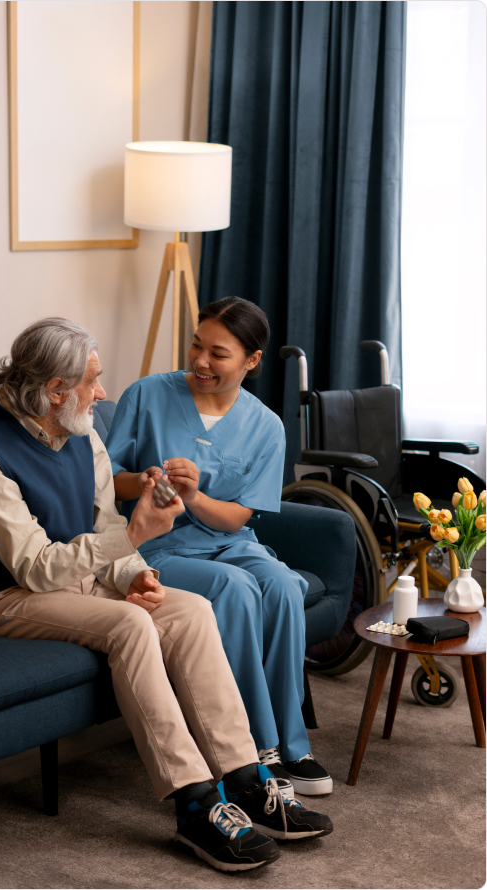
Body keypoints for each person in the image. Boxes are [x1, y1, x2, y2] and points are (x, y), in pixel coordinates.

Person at [0, 317, 333, 875]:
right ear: (54, 390)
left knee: (190, 608)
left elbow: (101, 527)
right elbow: (36, 568)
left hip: (78, 580)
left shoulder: (83, 432)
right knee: (130, 626)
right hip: (2, 596)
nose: (103, 393)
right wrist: (138, 535)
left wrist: (133, 574)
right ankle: (195, 803)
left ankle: (245, 777)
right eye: (93, 381)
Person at [106, 297, 333, 797]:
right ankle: (254, 748)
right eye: (195, 345)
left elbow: (237, 517)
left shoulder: (267, 426)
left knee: (279, 584)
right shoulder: (146, 395)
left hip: (230, 541)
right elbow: (102, 481)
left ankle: (294, 745)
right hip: (158, 547)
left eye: (219, 353)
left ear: (251, 361)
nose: (201, 362)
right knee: (234, 588)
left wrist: (194, 495)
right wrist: (142, 481)